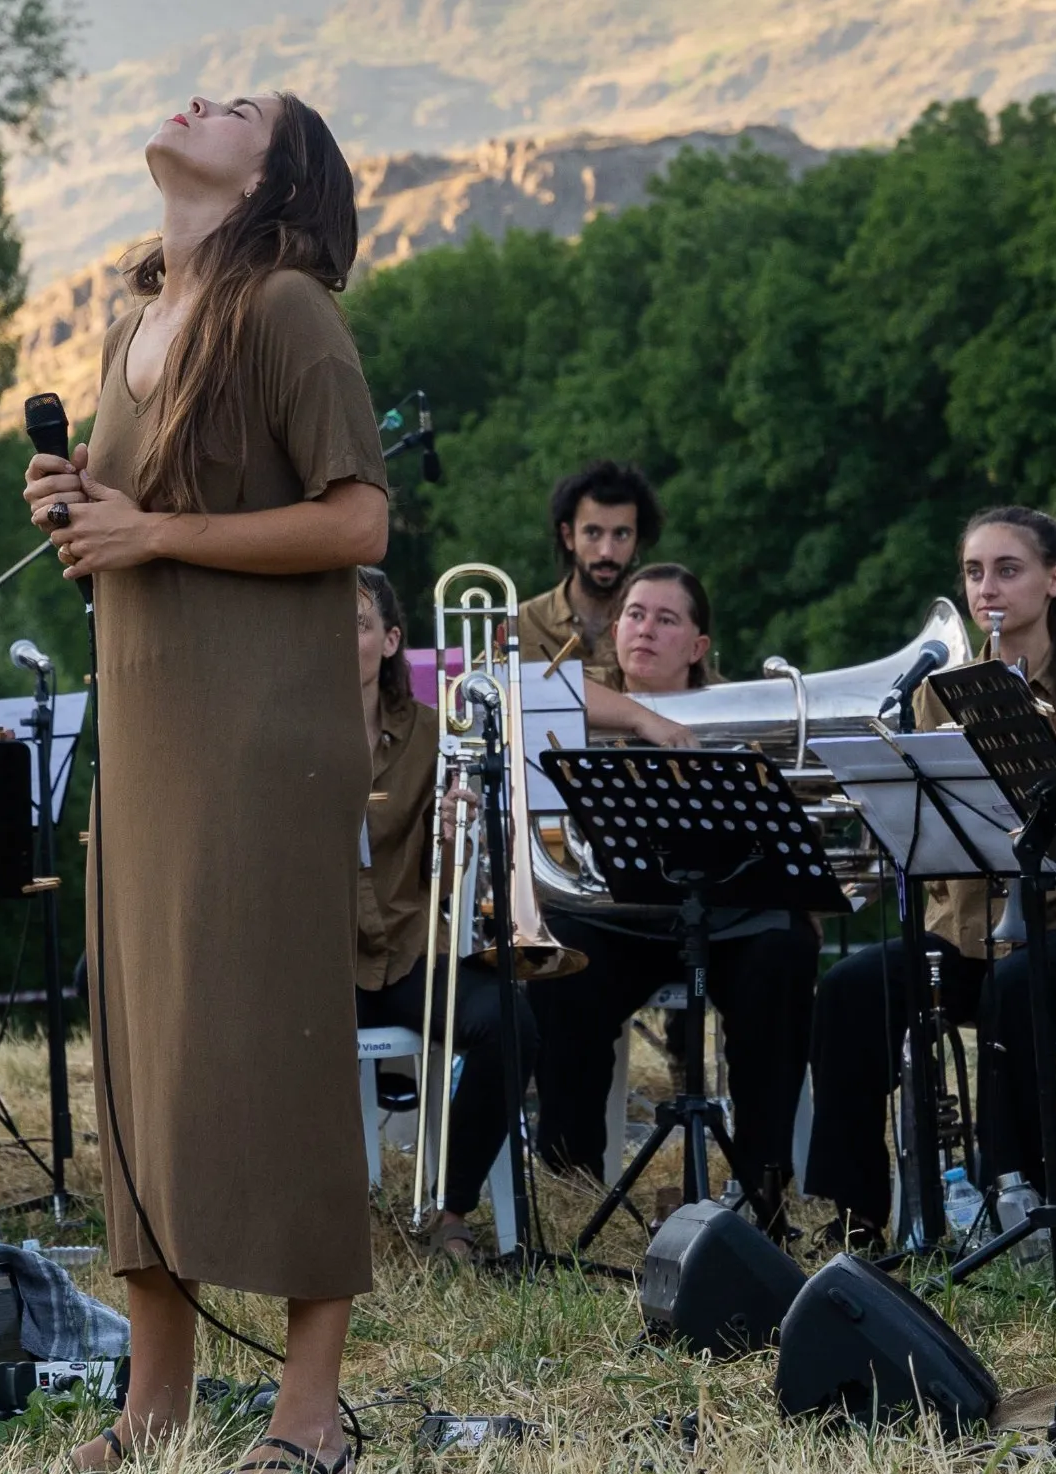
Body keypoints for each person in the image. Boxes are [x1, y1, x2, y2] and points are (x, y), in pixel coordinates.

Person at [26, 90, 390, 1474]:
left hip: (259, 740)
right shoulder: (133, 325)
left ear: (270, 175)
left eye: (241, 106)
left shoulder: (290, 310)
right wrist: (82, 510)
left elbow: (358, 517)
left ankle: (309, 1415)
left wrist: (154, 526)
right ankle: (155, 1404)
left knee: (273, 1048)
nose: (204, 98)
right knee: (145, 1060)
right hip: (152, 734)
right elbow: (138, 531)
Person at [801, 509, 1056, 1241]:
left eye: (1007, 569)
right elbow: (926, 816)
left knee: (1013, 987)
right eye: (973, 571)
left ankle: (1013, 1196)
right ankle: (858, 1210)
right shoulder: (939, 691)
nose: (985, 588)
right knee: (850, 989)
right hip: (963, 931)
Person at [522, 563, 819, 1223]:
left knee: (783, 954)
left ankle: (762, 1187)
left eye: (665, 618)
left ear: (698, 646)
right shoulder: (573, 695)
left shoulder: (740, 710)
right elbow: (509, 688)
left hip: (728, 917)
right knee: (560, 963)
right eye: (633, 613)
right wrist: (642, 719)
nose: (644, 629)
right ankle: (571, 1187)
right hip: (616, 916)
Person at [343, 566, 532, 1263]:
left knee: (510, 1018)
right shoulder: (286, 735)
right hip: (317, 960)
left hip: (408, 947)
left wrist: (455, 830)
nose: (339, 637)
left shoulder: (432, 732)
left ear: (391, 639)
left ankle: (452, 1207)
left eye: (358, 624)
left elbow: (446, 864)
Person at [519, 462, 659, 682]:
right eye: (593, 533)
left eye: (621, 535)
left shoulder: (657, 626)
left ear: (637, 541)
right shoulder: (524, 623)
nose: (606, 552)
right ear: (568, 536)